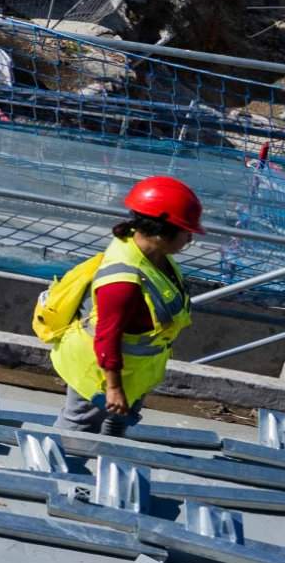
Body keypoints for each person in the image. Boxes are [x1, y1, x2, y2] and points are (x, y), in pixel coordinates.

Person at [39, 176, 199, 439]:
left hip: (135, 370)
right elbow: (107, 337)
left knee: (115, 426)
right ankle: (50, 474)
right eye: (186, 231)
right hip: (100, 372)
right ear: (161, 232)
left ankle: (107, 468)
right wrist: (112, 388)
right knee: (79, 427)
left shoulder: (156, 257)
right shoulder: (123, 281)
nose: (190, 238)